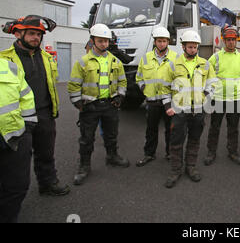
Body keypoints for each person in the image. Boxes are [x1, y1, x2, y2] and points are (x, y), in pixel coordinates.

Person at [0, 15, 70, 196]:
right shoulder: (5, 60)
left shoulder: (46, 57)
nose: (36, 38)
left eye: (39, 35)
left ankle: (48, 184)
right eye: (31, 34)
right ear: (17, 34)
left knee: (46, 153)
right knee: (16, 161)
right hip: (19, 118)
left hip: (45, 113)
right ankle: (12, 197)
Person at [68, 23, 129, 186]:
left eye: (106, 41)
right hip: (90, 107)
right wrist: (78, 103)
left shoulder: (115, 61)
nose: (104, 44)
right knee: (86, 138)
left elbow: (123, 81)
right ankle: (84, 166)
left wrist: (120, 97)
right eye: (100, 41)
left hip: (110, 105)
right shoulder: (83, 62)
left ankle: (112, 157)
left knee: (111, 134)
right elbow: (73, 84)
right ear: (93, 40)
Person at [164, 30, 217, 188]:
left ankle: (191, 167)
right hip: (179, 110)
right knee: (176, 141)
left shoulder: (205, 64)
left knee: (194, 139)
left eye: (195, 47)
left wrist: (205, 95)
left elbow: (213, 82)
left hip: (198, 110)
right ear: (183, 47)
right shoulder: (173, 64)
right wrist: (168, 106)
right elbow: (165, 87)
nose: (193, 49)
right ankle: (175, 170)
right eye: (190, 47)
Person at [204, 25, 240, 166]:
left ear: (236, 41)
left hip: (234, 99)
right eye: (228, 39)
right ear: (223, 40)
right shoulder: (215, 57)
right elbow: (207, 74)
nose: (231, 42)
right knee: (214, 127)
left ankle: (233, 152)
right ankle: (211, 152)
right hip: (218, 98)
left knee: (233, 128)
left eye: (233, 39)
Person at [0, 58, 37, 223]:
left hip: (15, 137)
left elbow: (26, 96)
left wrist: (28, 127)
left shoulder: (9, 67)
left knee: (18, 185)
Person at [135, 26, 178, 166]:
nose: (162, 44)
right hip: (152, 101)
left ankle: (170, 153)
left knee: (170, 130)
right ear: (155, 42)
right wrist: (144, 89)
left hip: (169, 102)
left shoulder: (176, 58)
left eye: (165, 41)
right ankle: (149, 154)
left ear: (168, 42)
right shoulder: (146, 58)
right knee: (151, 130)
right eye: (159, 41)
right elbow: (139, 77)